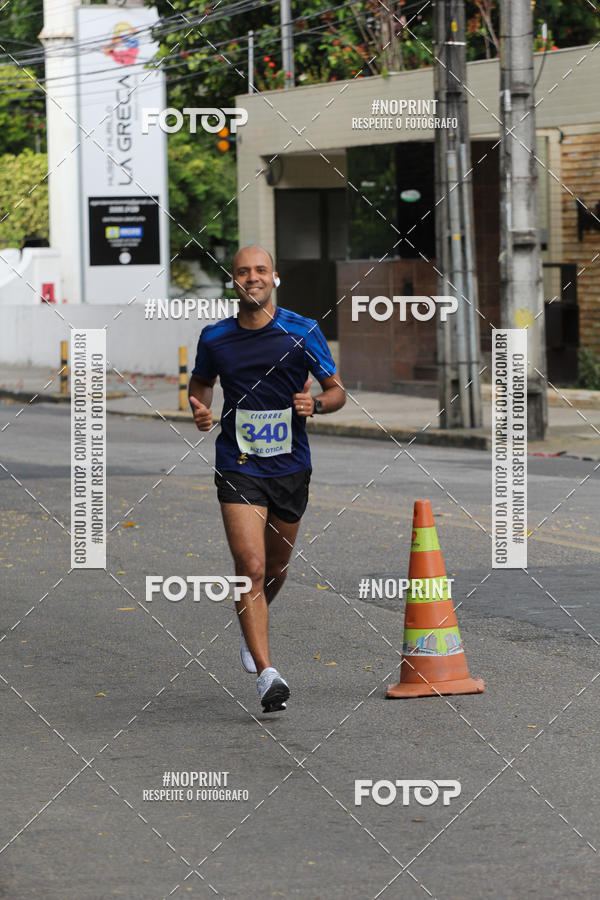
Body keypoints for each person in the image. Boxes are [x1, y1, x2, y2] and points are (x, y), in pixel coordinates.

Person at [188, 246, 346, 712]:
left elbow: (337, 391)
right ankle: (267, 673)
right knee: (251, 566)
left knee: (275, 569)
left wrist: (314, 404)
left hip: (291, 467)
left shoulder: (302, 330)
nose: (251, 278)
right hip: (238, 465)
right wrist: (198, 410)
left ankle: (250, 628)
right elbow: (200, 386)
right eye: (242, 272)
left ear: (274, 277)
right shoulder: (215, 337)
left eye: (260, 270)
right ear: (233, 281)